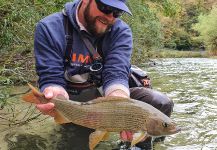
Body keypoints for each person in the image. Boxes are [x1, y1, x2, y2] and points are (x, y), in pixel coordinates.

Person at [33, 0, 174, 149]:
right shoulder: (49, 27)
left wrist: (120, 104)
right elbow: (51, 76)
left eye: (117, 12)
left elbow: (116, 73)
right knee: (75, 145)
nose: (110, 17)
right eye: (105, 8)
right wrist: (55, 97)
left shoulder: (121, 31)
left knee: (160, 102)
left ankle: (140, 144)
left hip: (107, 95)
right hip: (75, 102)